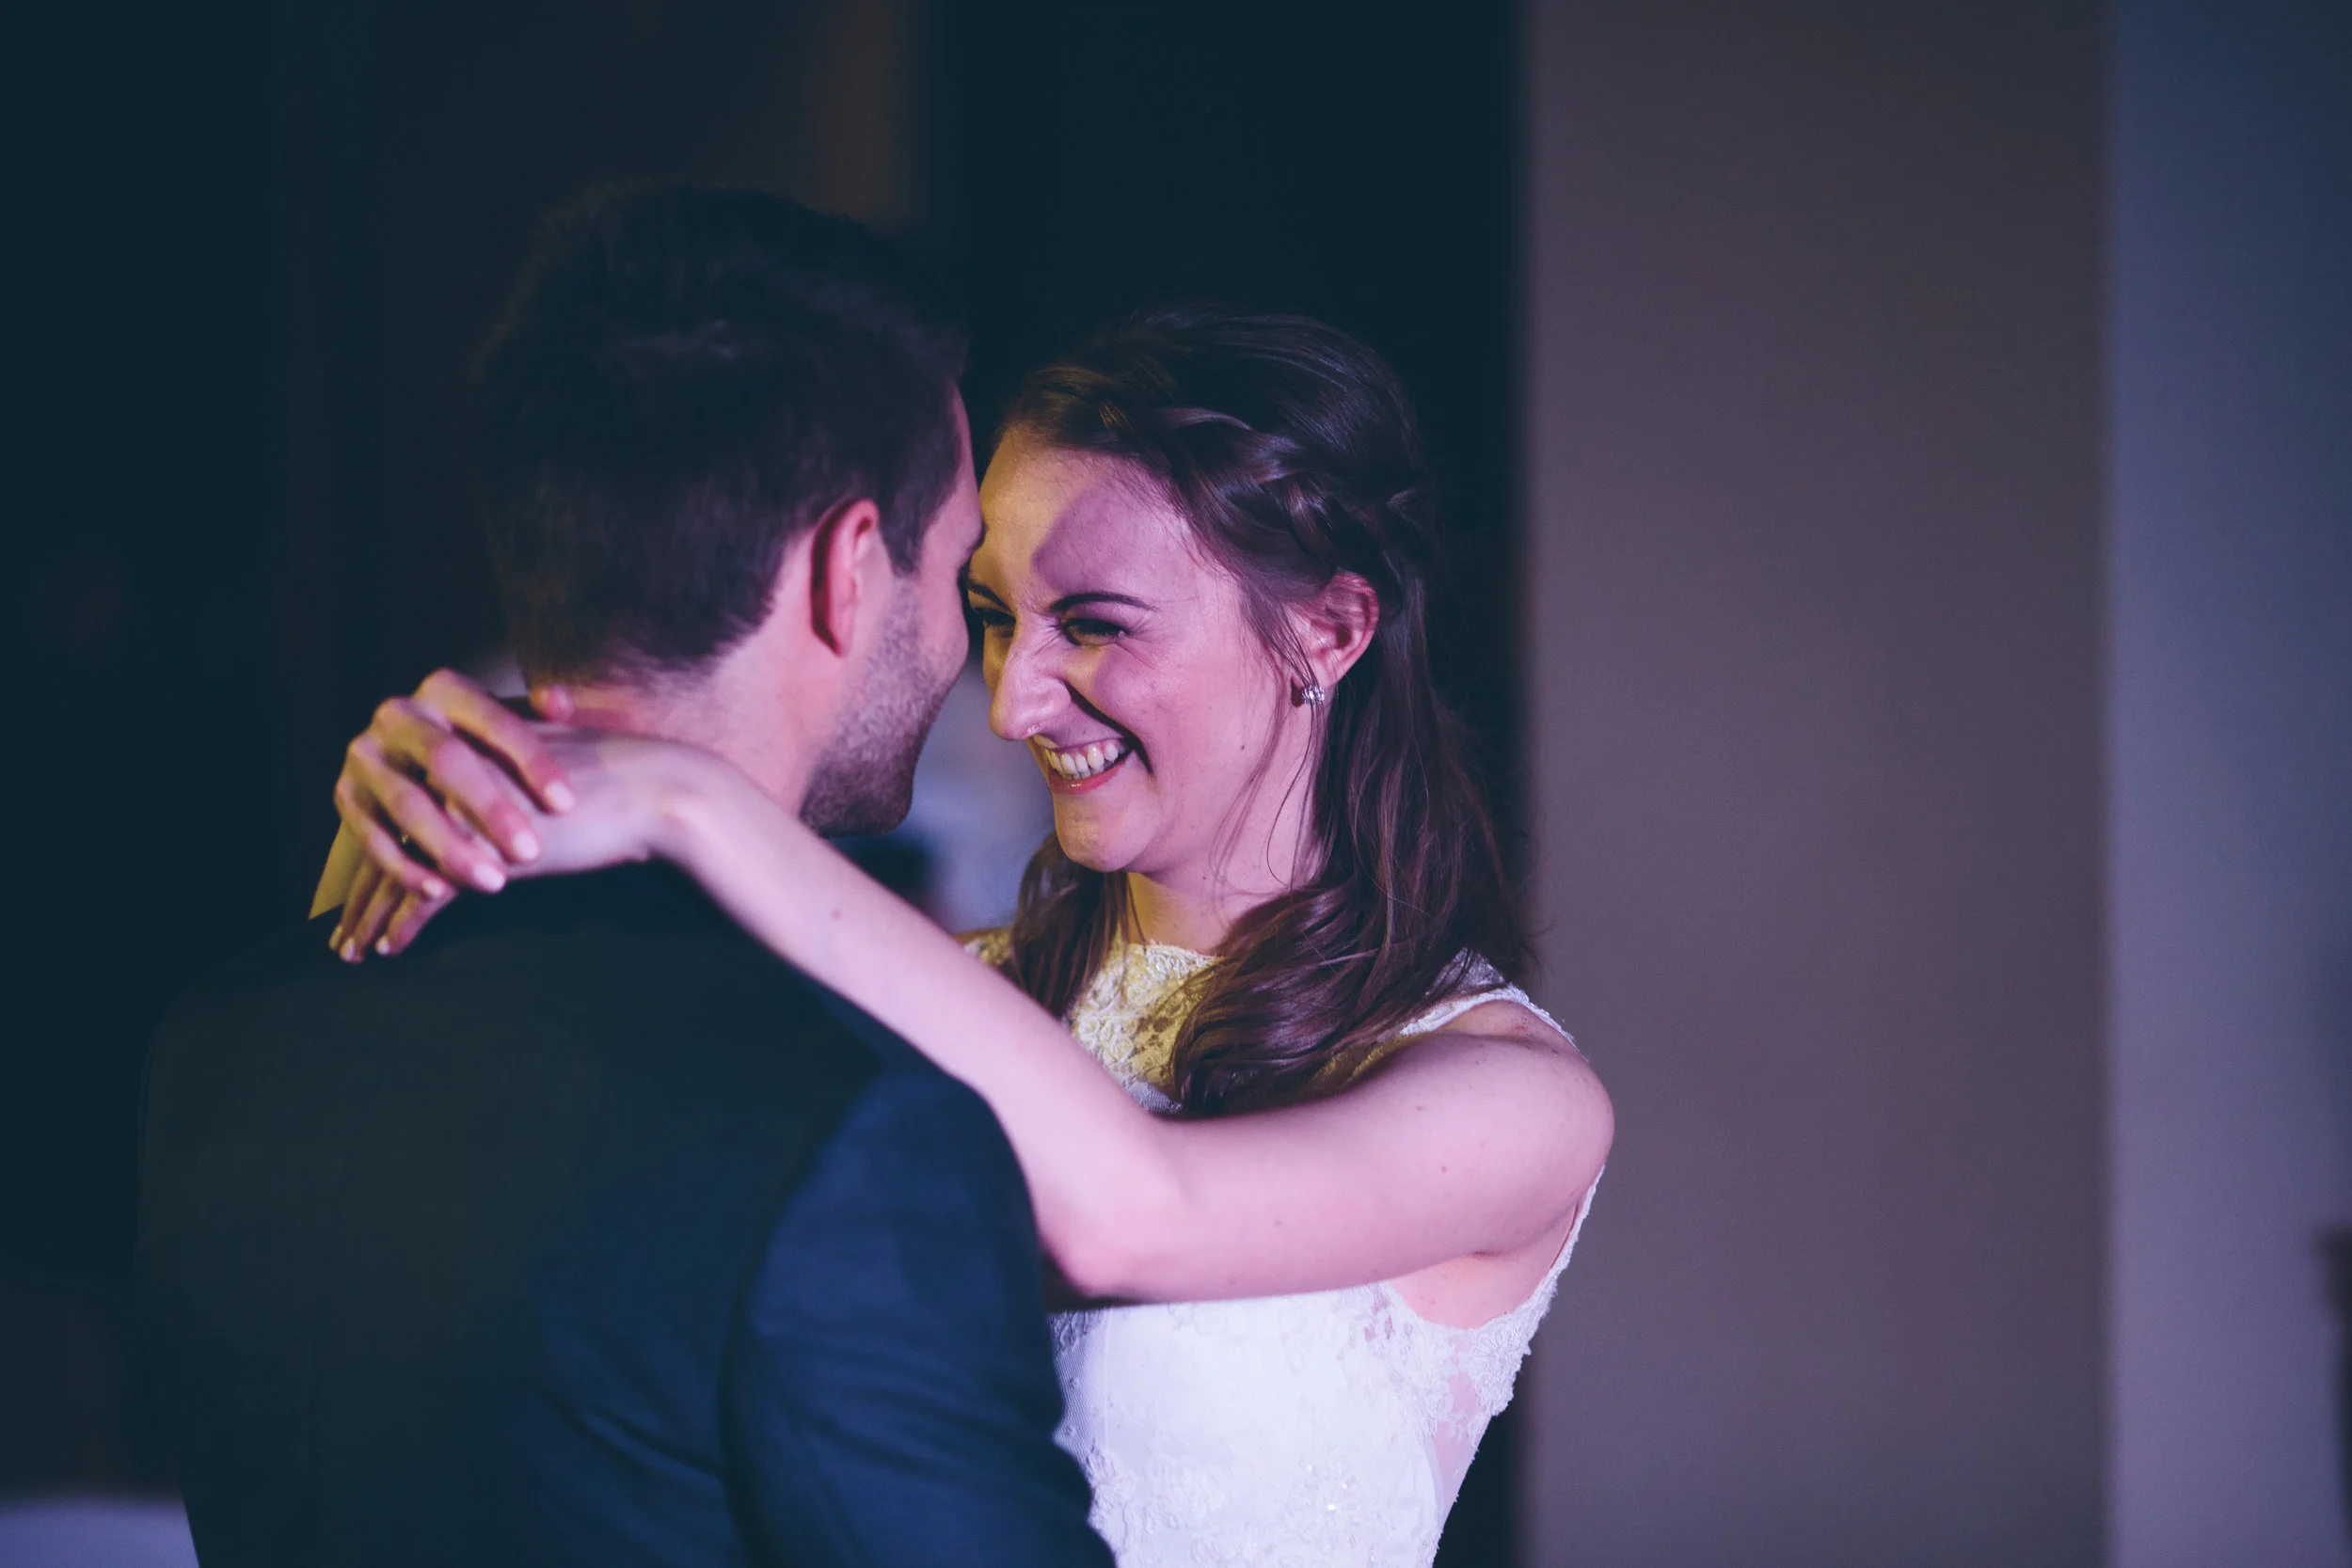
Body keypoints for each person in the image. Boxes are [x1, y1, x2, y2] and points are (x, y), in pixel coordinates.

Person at [328, 307, 1616, 1567]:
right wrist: (438, 797)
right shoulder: (947, 994)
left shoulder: (1513, 1097)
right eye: (994, 616)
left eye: (1097, 624)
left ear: (1330, 631)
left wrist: (681, 794)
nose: (1010, 704)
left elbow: (1136, 1221)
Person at [137, 184, 1111, 1567]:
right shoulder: (857, 1139)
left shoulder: (226, 1040)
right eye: (957, 579)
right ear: (846, 571)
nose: (978, 665)